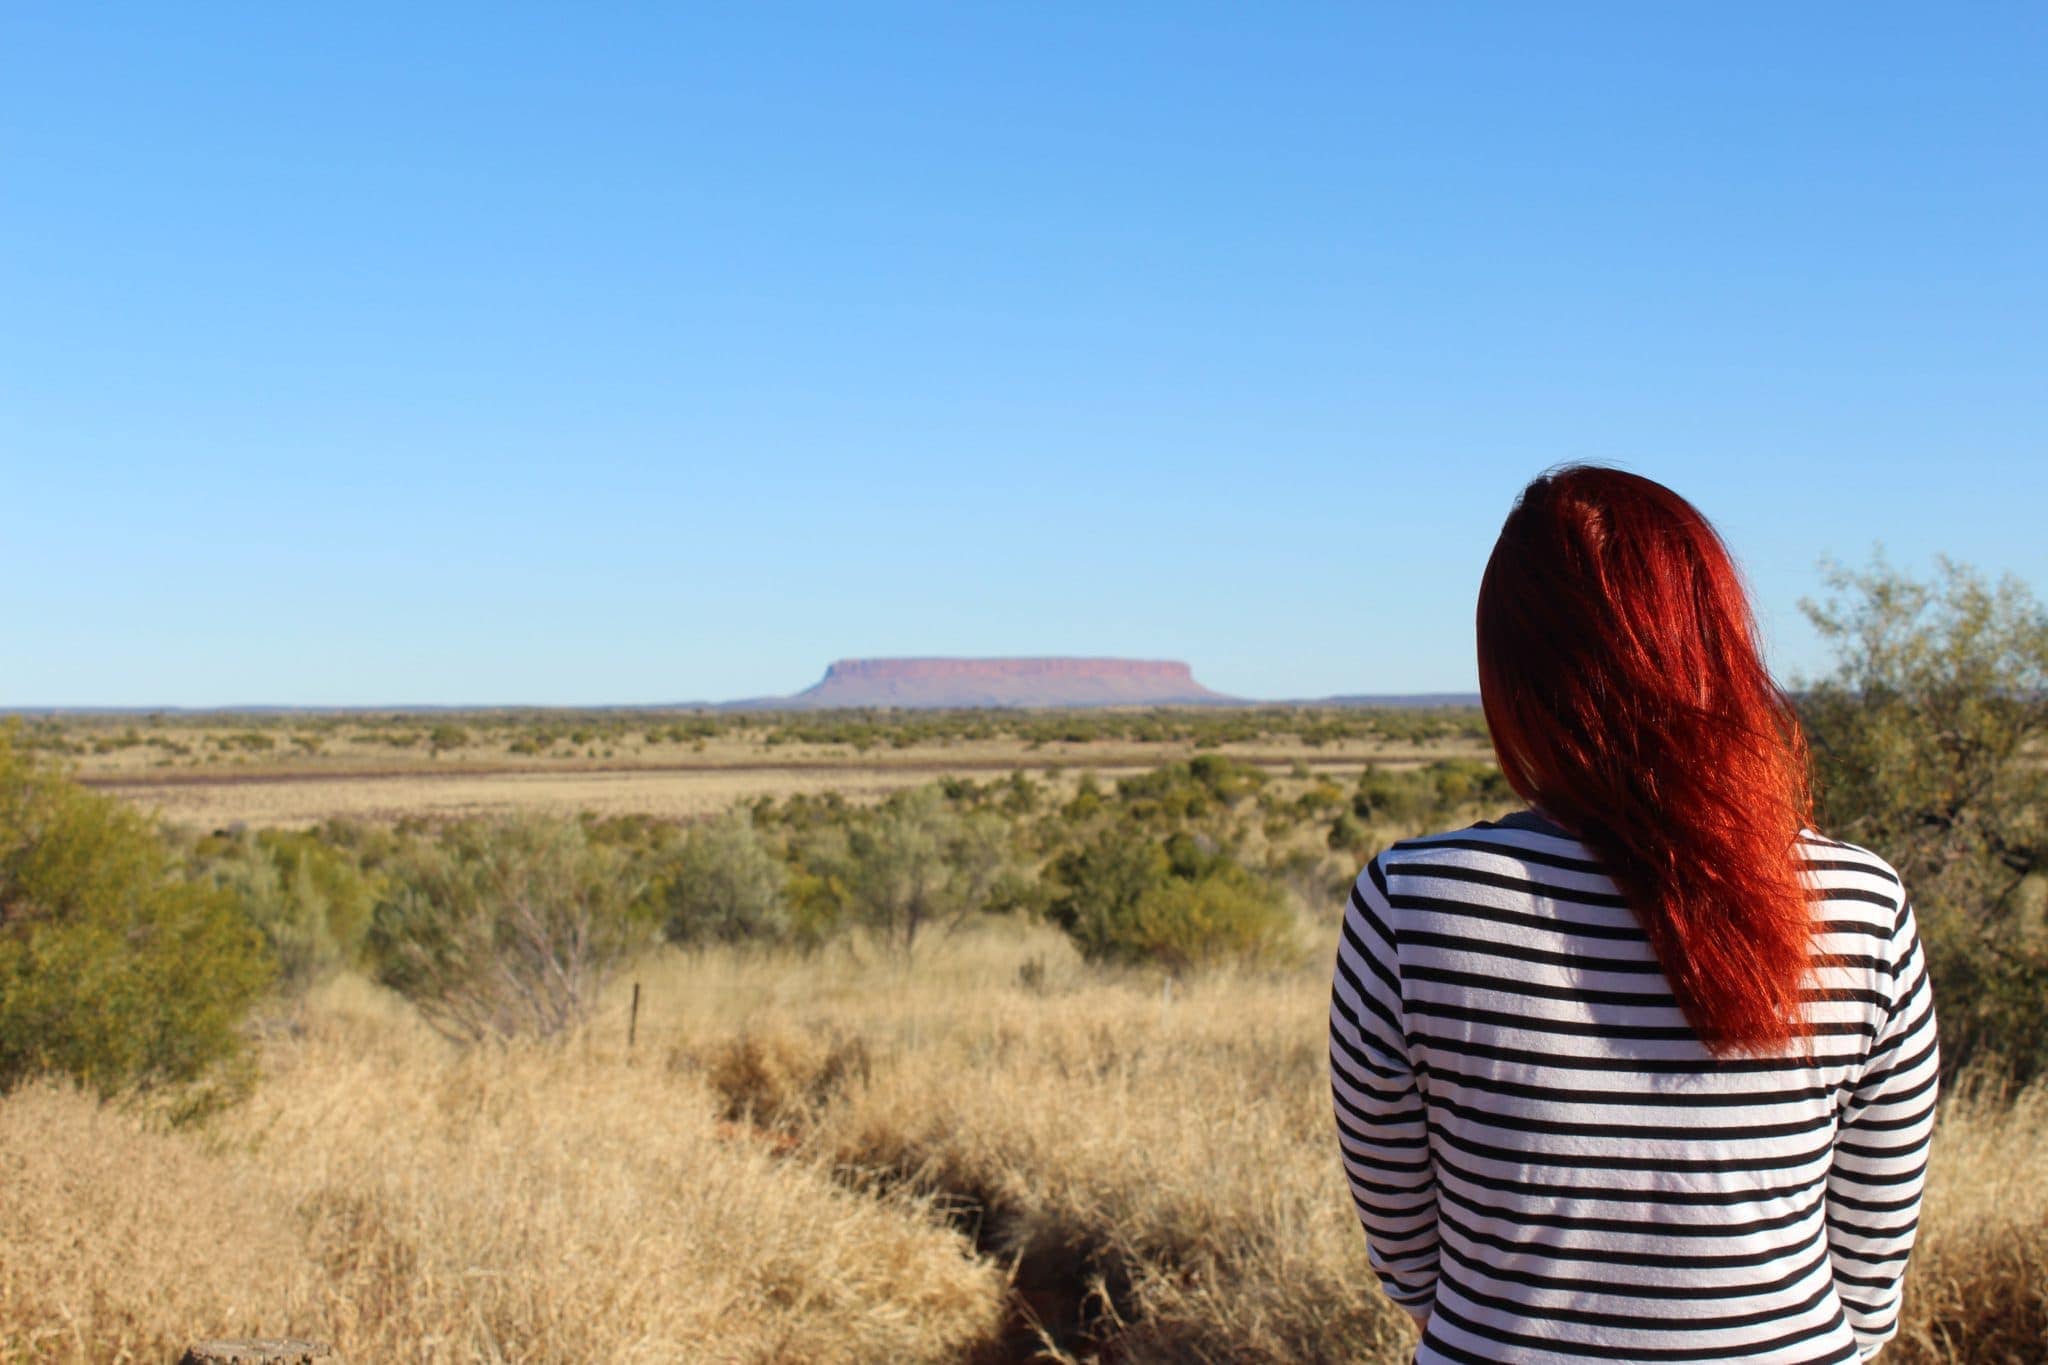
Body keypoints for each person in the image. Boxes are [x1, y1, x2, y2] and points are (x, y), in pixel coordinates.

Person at [1329, 467, 1938, 1364]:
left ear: (1513, 674)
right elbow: (1871, 1261)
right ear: (1720, 644)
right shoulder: (1861, 904)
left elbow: (1407, 1248)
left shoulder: (1412, 901)